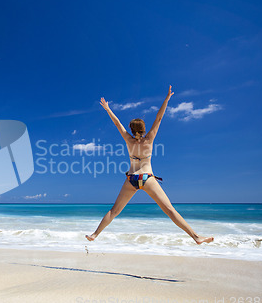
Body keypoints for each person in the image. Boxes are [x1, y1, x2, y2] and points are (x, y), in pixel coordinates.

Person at [85, 85, 214, 245]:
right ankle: (196, 237)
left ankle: (95, 234)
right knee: (170, 210)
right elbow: (159, 118)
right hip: (147, 178)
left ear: (131, 129)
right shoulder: (149, 139)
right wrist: (167, 99)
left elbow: (117, 123)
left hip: (131, 179)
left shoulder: (128, 139)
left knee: (114, 211)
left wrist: (108, 109)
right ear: (144, 129)